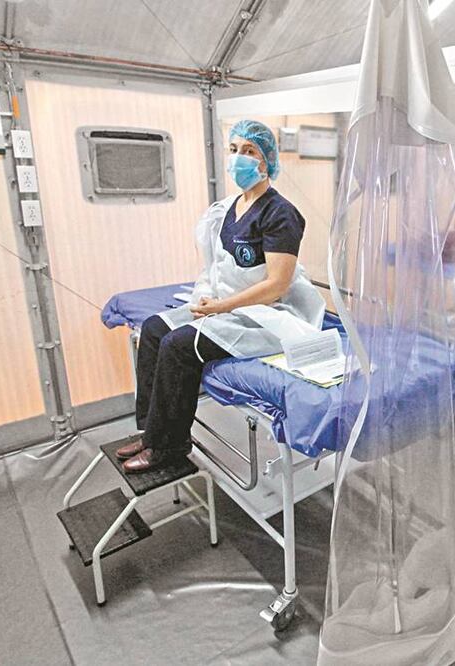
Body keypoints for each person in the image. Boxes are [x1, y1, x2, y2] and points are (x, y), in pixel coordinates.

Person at [118, 120, 325, 473]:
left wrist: (220, 308)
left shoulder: (281, 214)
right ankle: (152, 432)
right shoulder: (227, 209)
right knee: (153, 330)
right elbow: (215, 268)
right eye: (234, 150)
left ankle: (170, 446)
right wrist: (204, 299)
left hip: (267, 314)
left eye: (249, 151)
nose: (238, 158)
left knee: (179, 345)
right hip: (226, 305)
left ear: (267, 161)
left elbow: (276, 285)